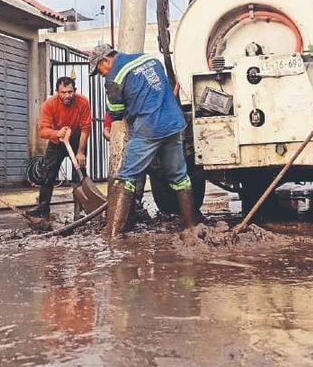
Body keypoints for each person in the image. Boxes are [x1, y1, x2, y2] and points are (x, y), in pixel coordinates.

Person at [90, 43, 197, 237]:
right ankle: (192, 227)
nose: (102, 75)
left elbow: (116, 112)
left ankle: (113, 236)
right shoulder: (149, 59)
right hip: (174, 123)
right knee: (180, 177)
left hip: (149, 128)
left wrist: (112, 128)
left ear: (105, 60)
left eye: (99, 70)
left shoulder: (114, 78)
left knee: (126, 179)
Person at [34, 76, 92, 217]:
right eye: (63, 92)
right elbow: (42, 131)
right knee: (47, 174)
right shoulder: (49, 104)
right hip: (57, 140)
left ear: (75, 91)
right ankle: (43, 208)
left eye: (70, 92)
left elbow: (85, 128)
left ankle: (80, 210)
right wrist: (56, 133)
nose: (67, 95)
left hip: (77, 140)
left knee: (79, 175)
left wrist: (80, 152)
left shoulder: (83, 102)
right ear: (57, 92)